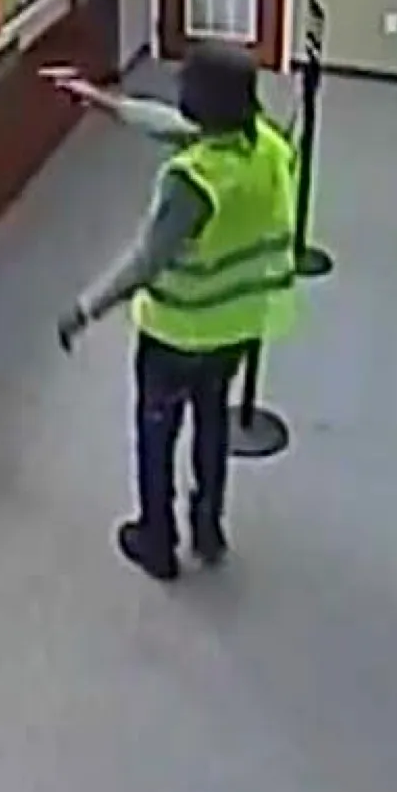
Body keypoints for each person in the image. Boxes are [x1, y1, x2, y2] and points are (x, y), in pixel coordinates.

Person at [50, 44, 297, 581]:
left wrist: (84, 308)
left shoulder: (191, 182)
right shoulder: (267, 145)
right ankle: (208, 530)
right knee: (211, 424)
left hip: (177, 335)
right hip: (235, 327)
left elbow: (145, 262)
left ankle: (156, 540)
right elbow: (176, 127)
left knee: (157, 433)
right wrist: (102, 101)